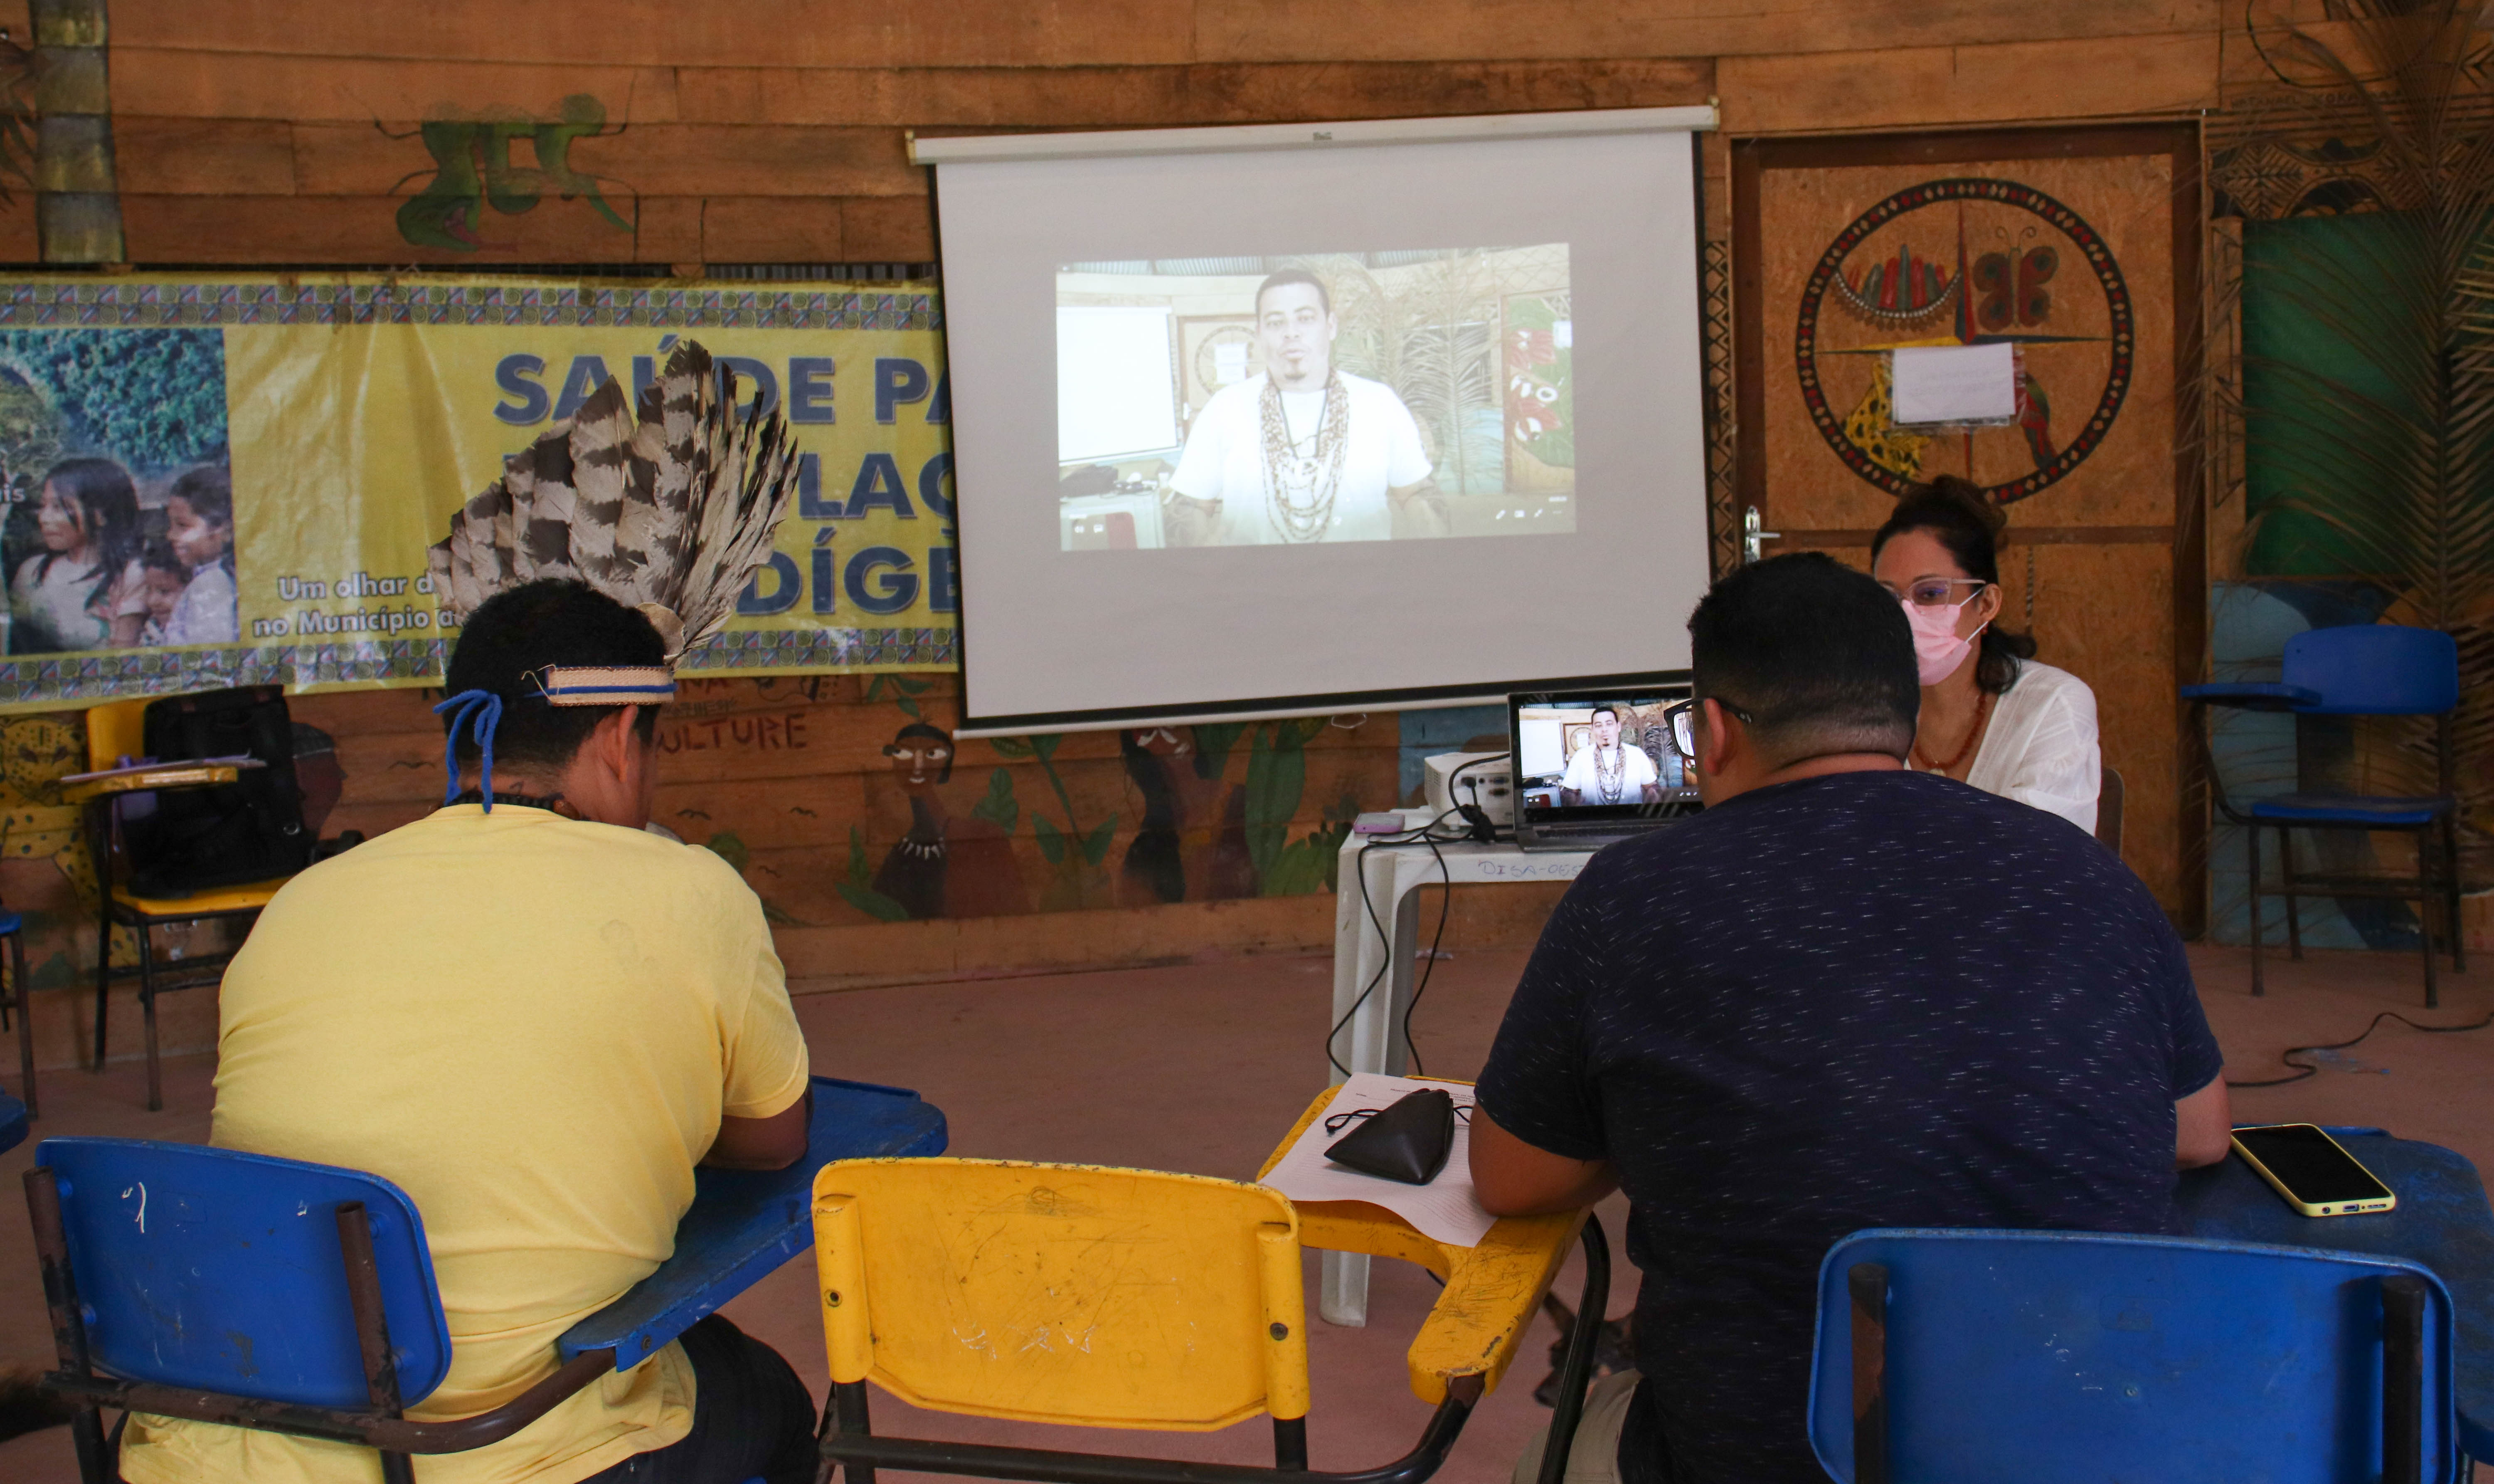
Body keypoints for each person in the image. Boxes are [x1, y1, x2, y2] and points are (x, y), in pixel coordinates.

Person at [1471, 552, 2230, 1484]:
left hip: (1752, 1456)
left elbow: (1511, 1177)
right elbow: (2198, 1131)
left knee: (1540, 1463)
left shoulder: (1634, 896)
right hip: (2081, 1445)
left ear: (1710, 733)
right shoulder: (2089, 877)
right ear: (1906, 721)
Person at [118, 580, 822, 1484]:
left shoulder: (302, 902)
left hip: (239, 1435)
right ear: (617, 741)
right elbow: (774, 1142)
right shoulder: (691, 890)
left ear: (463, 739)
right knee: (769, 1398)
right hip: (499, 1446)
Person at [1869, 475, 2100, 834]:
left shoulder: (2053, 705)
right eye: (1888, 598)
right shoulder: (1862, 712)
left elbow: (2037, 858)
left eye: (1930, 594)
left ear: (1987, 604)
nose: (1906, 615)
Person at [1166, 269, 1445, 545]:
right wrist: (1201, 551)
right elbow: (1188, 505)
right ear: (1260, 334)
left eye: (1305, 319)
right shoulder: (1225, 408)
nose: (1291, 333)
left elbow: (1417, 493)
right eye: (1276, 323)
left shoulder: (1380, 403)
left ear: (1331, 326)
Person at [10, 456, 145, 654]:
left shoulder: (130, 575)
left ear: (101, 515)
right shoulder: (32, 572)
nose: (44, 518)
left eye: (58, 507)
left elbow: (123, 657)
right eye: (43, 506)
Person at [160, 462, 239, 645]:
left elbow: (209, 659)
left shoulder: (211, 584)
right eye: (170, 525)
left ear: (225, 531)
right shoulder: (208, 579)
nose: (170, 535)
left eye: (183, 526)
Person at [1559, 704, 1662, 805]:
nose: (1604, 729)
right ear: (1593, 729)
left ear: (1618, 727)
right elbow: (1570, 791)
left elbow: (1652, 787)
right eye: (1599, 726)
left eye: (1609, 724)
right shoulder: (1581, 756)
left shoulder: (1636, 754)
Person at [135, 539, 185, 646]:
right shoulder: (153, 630)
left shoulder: (198, 630)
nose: (152, 601)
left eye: (164, 591)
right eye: (148, 590)